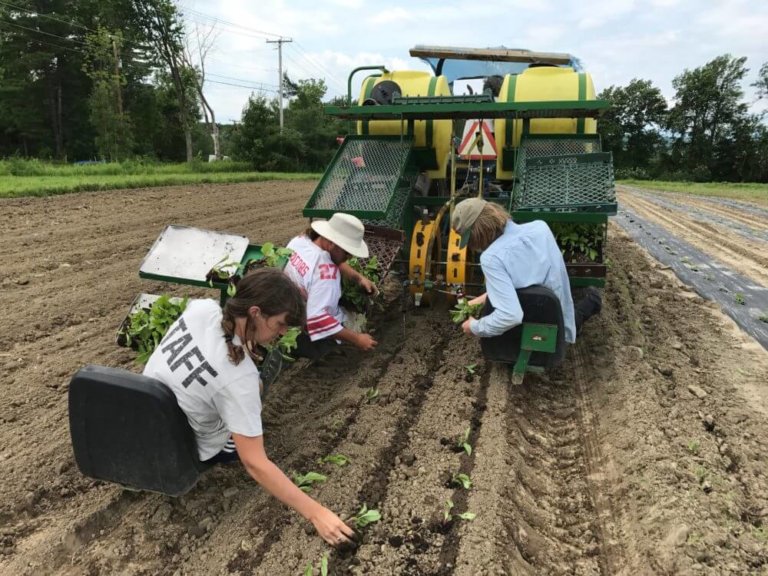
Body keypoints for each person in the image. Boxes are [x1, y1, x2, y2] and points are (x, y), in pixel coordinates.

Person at [143, 268, 355, 547]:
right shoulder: (239, 377)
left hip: (144, 417)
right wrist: (318, 514)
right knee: (250, 414)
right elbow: (255, 464)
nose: (281, 332)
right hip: (186, 447)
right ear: (255, 312)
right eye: (280, 324)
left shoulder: (202, 309)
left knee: (245, 392)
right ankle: (223, 451)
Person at [450, 198, 601, 343]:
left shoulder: (491, 258)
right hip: (558, 311)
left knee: (492, 326)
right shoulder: (540, 228)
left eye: (470, 240)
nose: (472, 246)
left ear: (477, 233)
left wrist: (475, 327)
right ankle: (591, 299)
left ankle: (591, 301)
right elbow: (522, 280)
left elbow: (510, 316)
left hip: (538, 324)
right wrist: (479, 300)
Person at [284, 212, 378, 360]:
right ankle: (321, 352)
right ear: (332, 243)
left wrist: (357, 277)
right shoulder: (327, 276)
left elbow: (331, 260)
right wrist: (357, 339)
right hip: (302, 330)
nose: (349, 257)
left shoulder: (300, 241)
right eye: (347, 252)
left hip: (285, 310)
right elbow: (318, 320)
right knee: (347, 321)